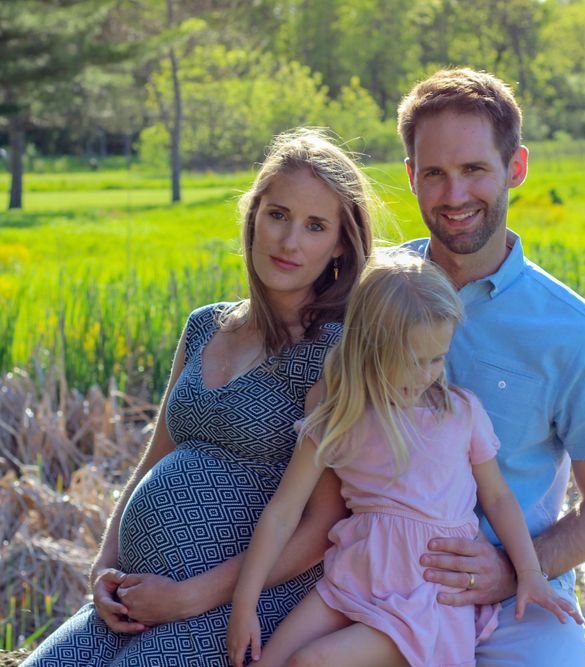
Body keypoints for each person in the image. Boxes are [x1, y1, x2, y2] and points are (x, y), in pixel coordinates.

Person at [21, 127, 375, 666]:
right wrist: (104, 566)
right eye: (278, 215)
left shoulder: (332, 353)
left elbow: (321, 527)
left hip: (244, 605)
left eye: (315, 226)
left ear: (340, 245)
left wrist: (191, 596)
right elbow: (155, 457)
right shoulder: (205, 325)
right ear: (253, 215)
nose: (289, 241)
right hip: (137, 597)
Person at [226, 252, 583, 667]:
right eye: (414, 361)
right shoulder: (338, 416)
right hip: (353, 579)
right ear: (370, 348)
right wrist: (244, 602)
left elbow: (499, 498)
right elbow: (282, 513)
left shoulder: (460, 413)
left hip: (426, 595)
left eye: (438, 358)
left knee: (312, 661)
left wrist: (530, 574)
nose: (428, 374)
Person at [396, 67, 585, 665]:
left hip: (517, 604)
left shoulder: (575, 333)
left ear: (516, 167)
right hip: (377, 581)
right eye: (435, 173)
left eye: (474, 169)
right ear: (411, 176)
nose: (454, 195)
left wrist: (511, 570)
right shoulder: (376, 291)